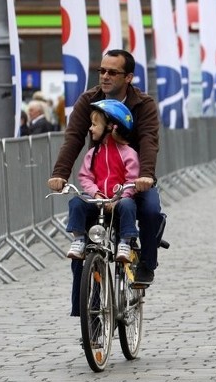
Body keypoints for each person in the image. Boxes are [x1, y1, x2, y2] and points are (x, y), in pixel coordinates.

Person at [48, 49, 163, 286]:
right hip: (101, 181)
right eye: (102, 71)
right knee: (85, 241)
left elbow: (149, 141)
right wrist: (60, 173)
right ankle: (88, 302)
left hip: (135, 179)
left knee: (151, 210)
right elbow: (73, 138)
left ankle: (147, 264)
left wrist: (146, 176)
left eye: (112, 72)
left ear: (128, 77)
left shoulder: (144, 104)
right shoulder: (88, 100)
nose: (105, 76)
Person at [65, 99, 139, 264]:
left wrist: (120, 198)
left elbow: (132, 179)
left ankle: (125, 242)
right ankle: (79, 239)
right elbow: (85, 176)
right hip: (97, 200)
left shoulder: (128, 153)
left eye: (94, 124)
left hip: (118, 201)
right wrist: (95, 193)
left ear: (110, 127)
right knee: (76, 202)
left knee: (128, 205)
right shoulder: (93, 153)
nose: (90, 128)